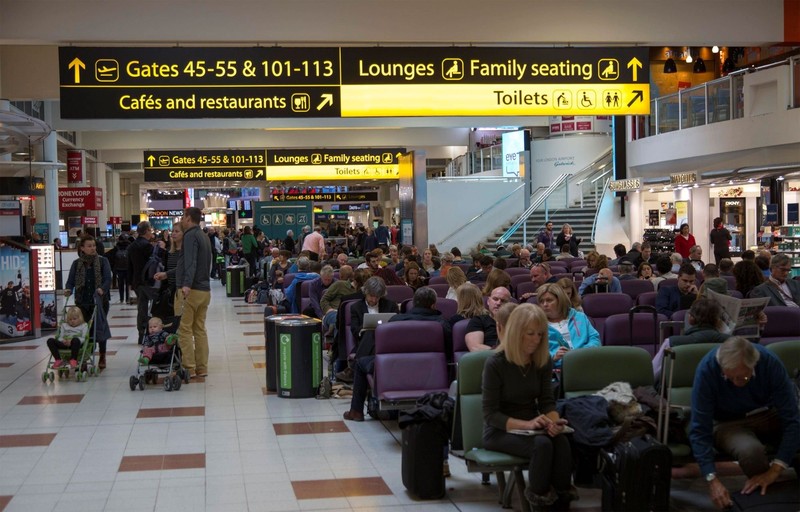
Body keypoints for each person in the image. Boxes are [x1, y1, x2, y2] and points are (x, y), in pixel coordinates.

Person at [482, 304, 576, 510]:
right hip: (500, 430)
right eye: (530, 334)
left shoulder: (542, 361)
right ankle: (540, 503)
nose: (536, 339)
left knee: (561, 441)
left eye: (540, 334)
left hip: (533, 426)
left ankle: (561, 503)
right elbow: (491, 415)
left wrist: (553, 422)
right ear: (516, 333)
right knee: (542, 445)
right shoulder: (496, 364)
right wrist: (528, 424)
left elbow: (546, 402)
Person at [689, 337, 799, 509]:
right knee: (750, 451)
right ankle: (766, 501)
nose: (736, 383)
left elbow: (792, 419)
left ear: (754, 364)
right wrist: (712, 479)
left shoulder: (769, 362)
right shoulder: (707, 369)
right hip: (728, 423)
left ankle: (779, 492)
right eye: (729, 377)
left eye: (742, 377)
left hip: (767, 413)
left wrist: (775, 471)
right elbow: (699, 429)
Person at [175, 207, 213, 379]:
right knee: (199, 329)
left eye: (183, 217)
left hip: (191, 290)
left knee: (184, 330)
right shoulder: (204, 236)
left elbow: (191, 262)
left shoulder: (190, 235)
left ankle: (189, 368)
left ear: (189, 218)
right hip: (205, 290)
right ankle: (202, 367)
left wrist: (186, 284)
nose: (182, 220)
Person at [651, 297, 730, 378]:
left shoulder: (671, 343)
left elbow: (652, 374)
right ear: (718, 321)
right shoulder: (732, 343)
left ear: (690, 319)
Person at [537, 283, 600, 368]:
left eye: (549, 300)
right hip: (558, 369)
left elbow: (595, 339)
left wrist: (580, 353)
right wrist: (553, 357)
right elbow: (536, 352)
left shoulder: (580, 317)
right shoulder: (538, 325)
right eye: (541, 301)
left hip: (586, 363)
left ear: (560, 300)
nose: (545, 304)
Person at [128, 222, 155, 344]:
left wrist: (130, 282)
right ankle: (152, 332)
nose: (151, 232)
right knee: (155, 306)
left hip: (137, 281)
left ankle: (141, 333)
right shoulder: (147, 247)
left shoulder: (132, 246)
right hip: (148, 281)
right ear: (146, 231)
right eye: (150, 230)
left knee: (142, 307)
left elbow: (129, 266)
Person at [153, 222, 184, 319]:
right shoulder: (170, 251)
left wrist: (166, 274)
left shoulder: (186, 252)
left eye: (177, 231)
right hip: (169, 290)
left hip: (181, 289)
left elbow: (182, 268)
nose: (173, 234)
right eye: (173, 231)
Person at [465, 286, 511, 351]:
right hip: (486, 358)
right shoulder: (478, 321)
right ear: (488, 301)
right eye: (495, 299)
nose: (498, 303)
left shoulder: (514, 321)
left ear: (509, 304)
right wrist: (500, 352)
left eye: (503, 301)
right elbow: (475, 347)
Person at [320, 265, 355, 335]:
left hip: (351, 313)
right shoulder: (339, 284)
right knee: (339, 319)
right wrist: (328, 309)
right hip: (334, 312)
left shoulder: (361, 289)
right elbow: (323, 300)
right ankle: (337, 344)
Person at [109, 235, 130, 304]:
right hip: (127, 268)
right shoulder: (129, 247)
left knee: (121, 285)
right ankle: (127, 299)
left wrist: (113, 268)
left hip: (119, 269)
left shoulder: (116, 247)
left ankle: (121, 299)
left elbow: (111, 258)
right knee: (127, 284)